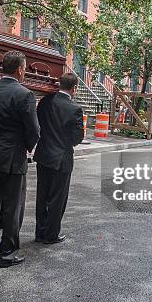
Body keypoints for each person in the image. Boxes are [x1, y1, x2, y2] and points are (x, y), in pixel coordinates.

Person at [0, 50, 40, 268]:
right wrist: (28, 148)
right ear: (20, 69)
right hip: (13, 155)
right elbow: (34, 130)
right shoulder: (25, 94)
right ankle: (7, 253)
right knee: (13, 206)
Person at [33, 73, 84, 244]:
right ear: (74, 88)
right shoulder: (74, 109)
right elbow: (77, 138)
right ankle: (51, 234)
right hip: (61, 158)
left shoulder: (44, 102)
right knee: (57, 198)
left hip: (43, 154)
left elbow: (37, 124)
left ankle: (40, 232)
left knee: (42, 195)